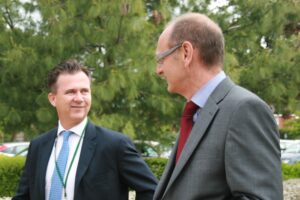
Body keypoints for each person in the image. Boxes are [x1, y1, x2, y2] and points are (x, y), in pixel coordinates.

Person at [153, 13, 283, 200]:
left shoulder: (244, 109)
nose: (159, 70)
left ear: (186, 53)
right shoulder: (196, 113)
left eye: (161, 59)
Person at [13, 60, 157, 200]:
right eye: (71, 92)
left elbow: (151, 191)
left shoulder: (115, 145)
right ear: (53, 99)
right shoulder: (38, 146)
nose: (79, 98)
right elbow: (23, 196)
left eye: (84, 91)